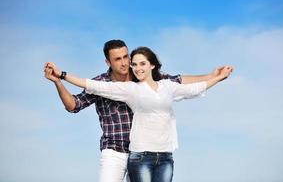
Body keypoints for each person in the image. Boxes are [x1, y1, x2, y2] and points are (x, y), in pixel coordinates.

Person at [44, 46, 233, 182]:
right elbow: (74, 105)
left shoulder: (142, 76)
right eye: (118, 59)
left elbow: (181, 83)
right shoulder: (106, 84)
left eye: (126, 57)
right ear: (107, 62)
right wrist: (59, 80)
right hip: (115, 150)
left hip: (147, 151)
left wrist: (213, 76)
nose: (125, 63)